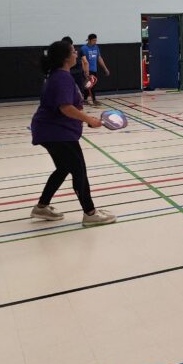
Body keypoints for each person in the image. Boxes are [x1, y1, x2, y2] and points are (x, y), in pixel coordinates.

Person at [29, 40, 116, 226]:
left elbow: (70, 107)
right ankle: (90, 214)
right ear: (65, 57)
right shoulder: (61, 77)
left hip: (52, 131)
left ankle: (42, 207)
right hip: (56, 133)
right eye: (73, 51)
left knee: (63, 168)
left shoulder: (60, 75)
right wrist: (89, 119)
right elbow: (65, 108)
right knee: (79, 170)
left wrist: (86, 119)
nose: (76, 54)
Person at [80, 33, 110, 106]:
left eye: (96, 40)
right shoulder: (83, 48)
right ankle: (94, 101)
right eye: (93, 40)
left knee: (90, 86)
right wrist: (85, 71)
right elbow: (82, 61)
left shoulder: (96, 47)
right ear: (89, 40)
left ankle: (85, 100)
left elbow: (99, 58)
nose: (95, 42)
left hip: (94, 70)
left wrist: (105, 69)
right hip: (87, 70)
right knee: (90, 86)